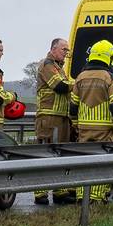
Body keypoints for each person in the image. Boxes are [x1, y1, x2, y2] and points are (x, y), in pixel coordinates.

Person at [70, 39, 113, 202]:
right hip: (105, 130)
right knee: (102, 162)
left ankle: (81, 195)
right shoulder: (109, 77)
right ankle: (96, 197)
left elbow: (73, 106)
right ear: (109, 57)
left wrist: (76, 124)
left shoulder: (80, 77)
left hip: (84, 129)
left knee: (84, 162)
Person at [34, 38, 75, 204]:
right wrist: (77, 84)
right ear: (53, 49)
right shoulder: (47, 64)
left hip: (61, 117)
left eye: (67, 51)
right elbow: (59, 86)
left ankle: (59, 191)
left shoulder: (59, 67)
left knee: (60, 155)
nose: (66, 53)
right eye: (64, 49)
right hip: (49, 118)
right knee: (46, 155)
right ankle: (40, 193)